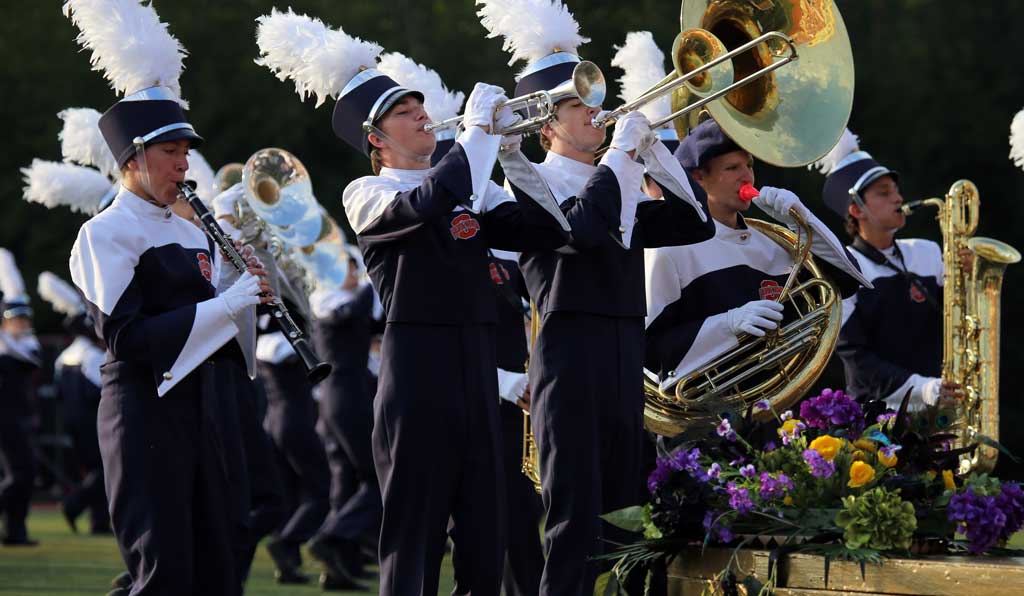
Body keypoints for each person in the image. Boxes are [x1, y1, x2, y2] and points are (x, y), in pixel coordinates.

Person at [255, 9, 573, 594]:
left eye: (420, 106)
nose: (423, 115)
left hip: (478, 366)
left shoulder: (467, 180)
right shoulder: (367, 191)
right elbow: (428, 204)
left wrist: (511, 155)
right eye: (404, 112)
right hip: (417, 369)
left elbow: (549, 231)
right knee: (414, 538)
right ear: (376, 140)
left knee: (486, 537)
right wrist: (476, 137)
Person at [476, 3, 716, 592]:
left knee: (630, 520)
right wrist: (620, 158)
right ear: (546, 126)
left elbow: (696, 222)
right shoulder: (530, 180)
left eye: (594, 99)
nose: (596, 111)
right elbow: (581, 230)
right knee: (575, 526)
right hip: (569, 353)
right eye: (577, 105)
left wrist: (654, 152)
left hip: (624, 348)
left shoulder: (616, 180)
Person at [65, 1, 267, 592]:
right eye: (171, 152)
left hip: (206, 406)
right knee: (164, 572)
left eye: (184, 152)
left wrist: (239, 290)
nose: (183, 165)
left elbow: (216, 331)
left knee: (220, 564)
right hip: (144, 411)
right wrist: (224, 303)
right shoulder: (105, 232)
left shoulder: (191, 230)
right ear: (132, 159)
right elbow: (127, 337)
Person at [645, 120, 868, 400]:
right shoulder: (669, 249)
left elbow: (848, 281)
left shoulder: (774, 242)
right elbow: (649, 349)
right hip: (710, 412)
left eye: (749, 165)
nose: (747, 177)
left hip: (786, 408)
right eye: (732, 168)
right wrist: (727, 325)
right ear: (698, 178)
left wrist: (805, 223)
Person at [813, 129, 963, 411]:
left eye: (896, 190)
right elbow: (859, 363)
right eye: (884, 193)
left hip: (943, 408)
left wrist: (969, 278)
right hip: (879, 420)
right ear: (856, 210)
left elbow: (960, 322)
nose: (898, 198)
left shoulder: (928, 252)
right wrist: (925, 389)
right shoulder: (842, 270)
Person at [309, 252, 381, 590]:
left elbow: (374, 321)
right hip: (345, 394)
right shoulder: (327, 298)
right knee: (377, 476)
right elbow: (351, 312)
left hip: (340, 396)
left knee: (347, 480)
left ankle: (340, 568)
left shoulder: (342, 300)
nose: (355, 272)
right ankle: (331, 536)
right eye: (351, 267)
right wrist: (374, 277)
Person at [37, 272, 110, 535]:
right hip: (93, 423)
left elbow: (58, 394)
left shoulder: (65, 357)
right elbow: (103, 394)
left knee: (93, 471)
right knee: (104, 470)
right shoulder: (94, 358)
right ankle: (75, 504)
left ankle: (98, 522)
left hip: (70, 424)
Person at [0, 250, 42, 547]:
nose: (23, 323)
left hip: (21, 417)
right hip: (5, 419)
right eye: (17, 319)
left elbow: (29, 357)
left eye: (25, 319)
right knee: (20, 473)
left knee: (25, 473)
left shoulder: (26, 347)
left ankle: (16, 531)